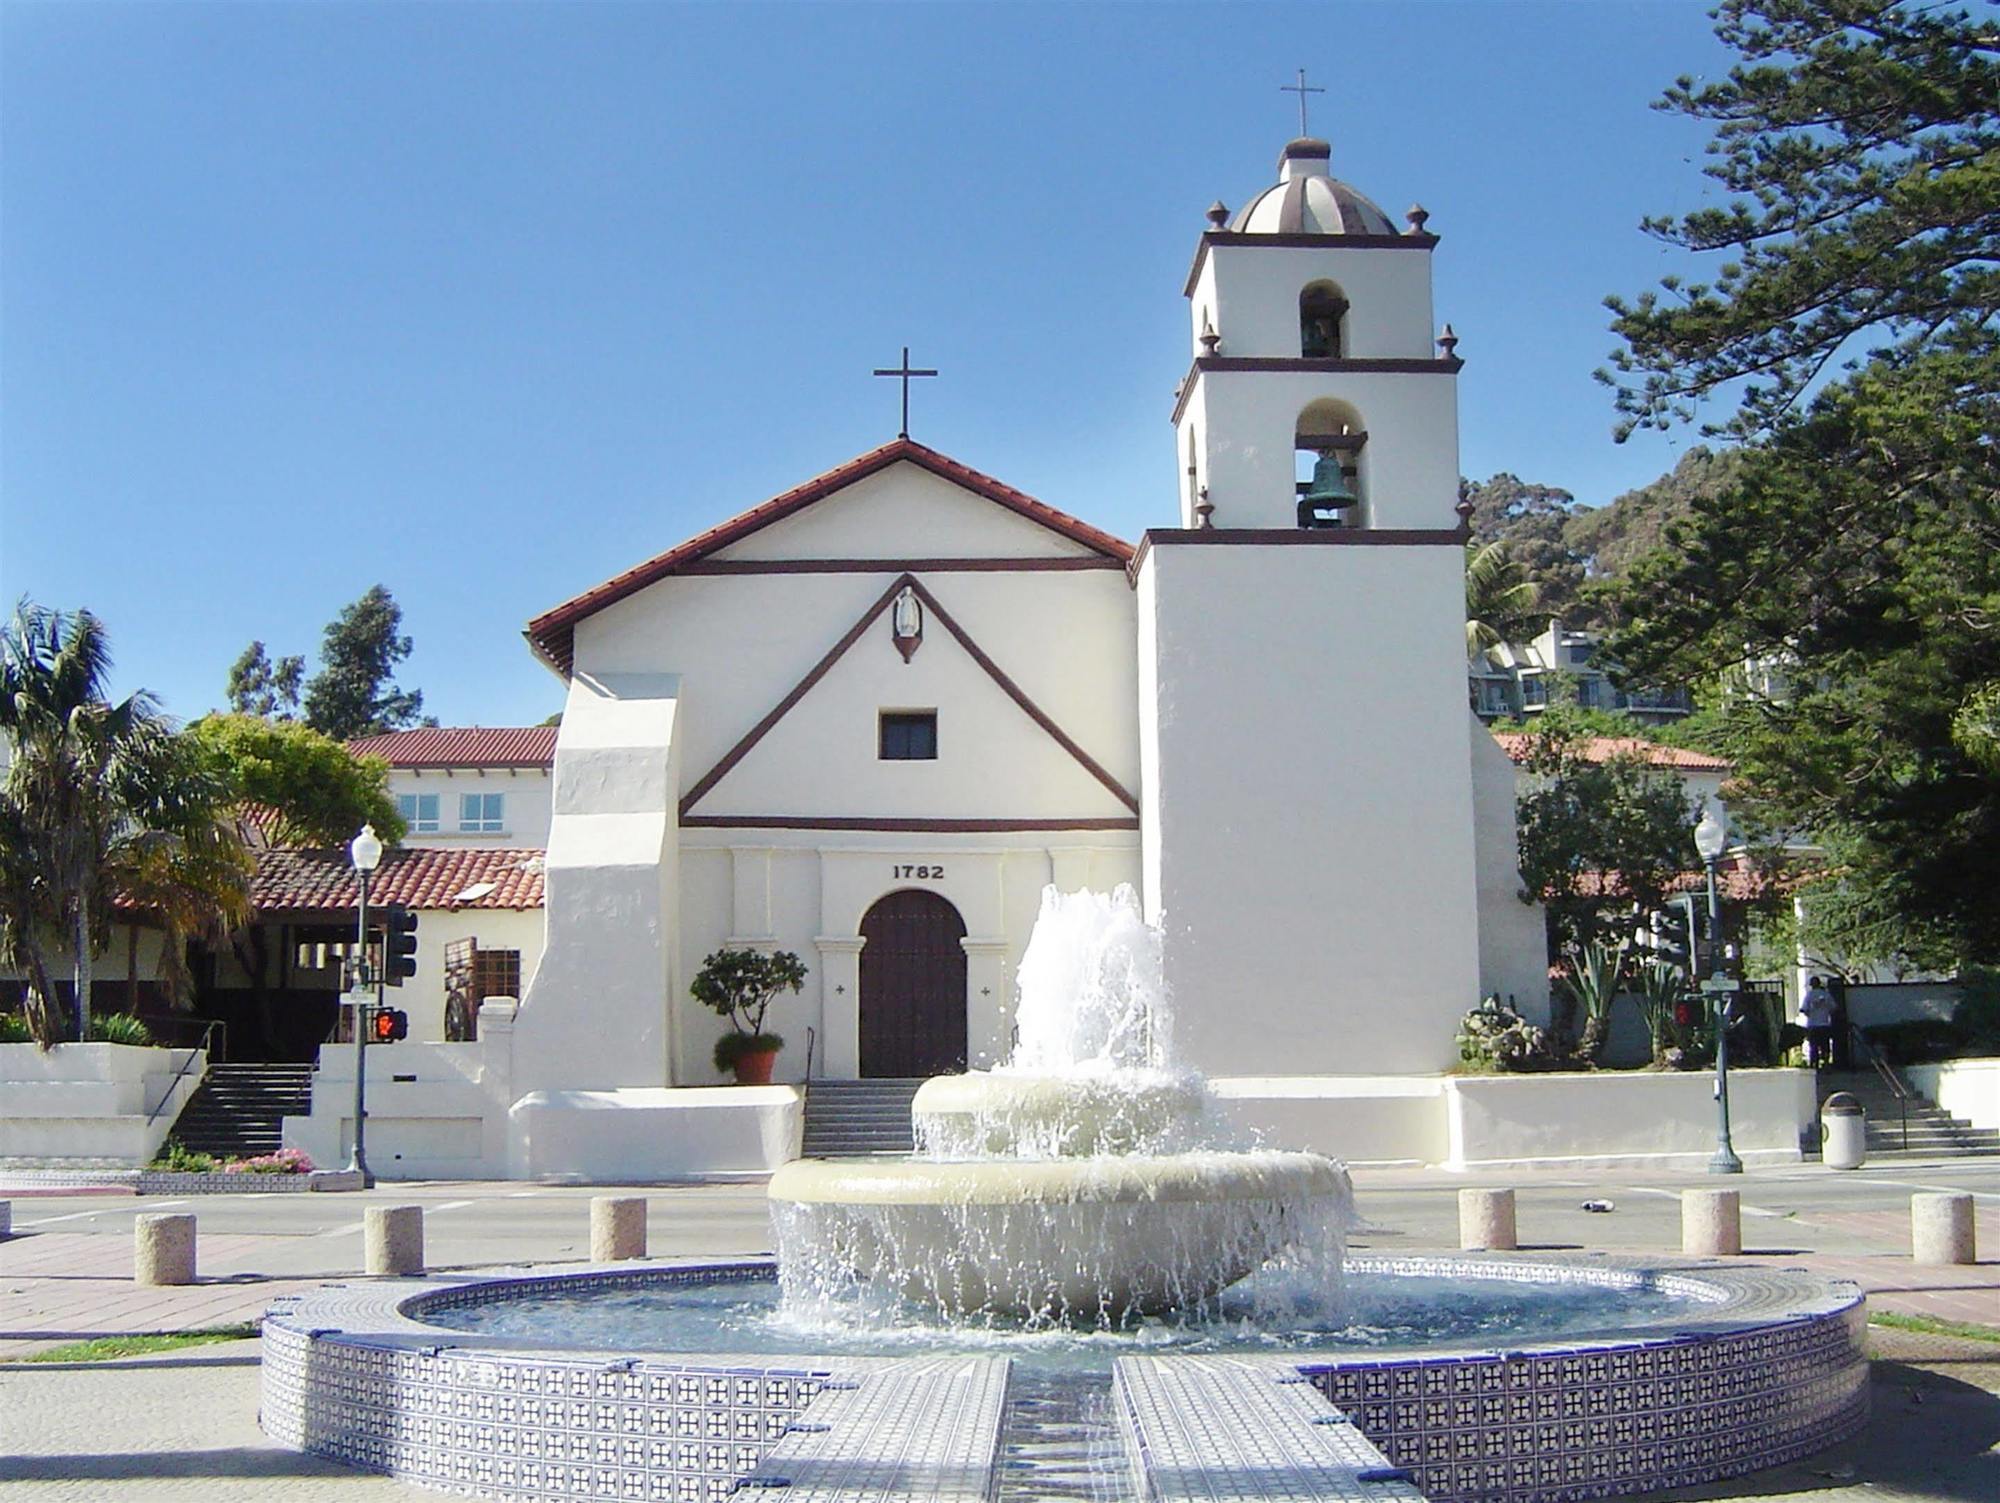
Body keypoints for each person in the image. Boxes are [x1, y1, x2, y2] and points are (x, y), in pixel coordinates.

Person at [1799, 976, 1836, 1069]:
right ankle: (1826, 1064)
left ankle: (1814, 1064)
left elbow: (1803, 1009)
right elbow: (1834, 1008)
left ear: (1811, 985)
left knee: (1813, 1046)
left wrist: (1810, 1013)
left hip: (1812, 1025)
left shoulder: (1809, 995)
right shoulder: (1826, 995)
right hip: (1824, 1024)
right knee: (1825, 1046)